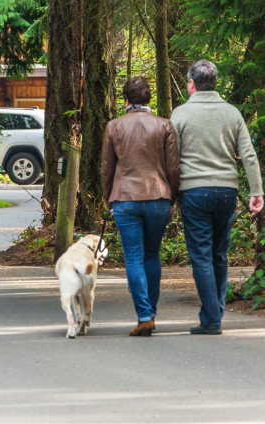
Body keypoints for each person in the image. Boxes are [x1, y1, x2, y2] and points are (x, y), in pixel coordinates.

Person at [171, 60, 264, 335]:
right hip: (226, 192)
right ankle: (216, 310)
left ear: (191, 84)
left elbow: (171, 159)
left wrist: (170, 194)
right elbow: (248, 154)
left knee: (201, 256)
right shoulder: (232, 113)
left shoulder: (180, 114)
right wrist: (256, 191)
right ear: (214, 83)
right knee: (219, 254)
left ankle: (211, 318)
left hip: (194, 191)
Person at [101, 78, 180, 337]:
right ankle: (152, 313)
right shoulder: (164, 125)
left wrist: (108, 199)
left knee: (133, 257)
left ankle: (144, 315)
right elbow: (173, 168)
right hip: (158, 196)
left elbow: (107, 169)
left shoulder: (114, 127)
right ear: (148, 99)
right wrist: (173, 197)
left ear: (125, 99)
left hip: (125, 198)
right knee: (151, 255)